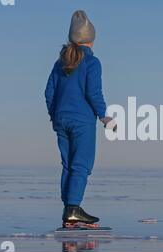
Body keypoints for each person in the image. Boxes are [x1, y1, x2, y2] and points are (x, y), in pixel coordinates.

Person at [44, 10, 114, 228]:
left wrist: (54, 115)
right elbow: (93, 93)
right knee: (81, 165)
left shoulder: (60, 63)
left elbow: (49, 92)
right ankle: (73, 208)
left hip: (61, 120)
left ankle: (69, 210)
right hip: (82, 121)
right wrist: (105, 117)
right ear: (90, 40)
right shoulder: (92, 63)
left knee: (68, 165)